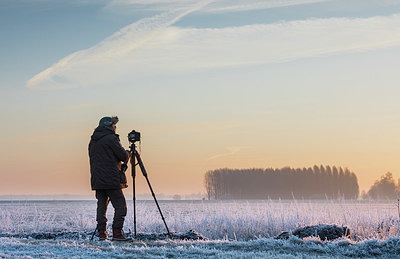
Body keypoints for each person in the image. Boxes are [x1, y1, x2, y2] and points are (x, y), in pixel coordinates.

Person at [88, 116, 131, 241]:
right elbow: (123, 156)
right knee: (120, 206)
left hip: (97, 179)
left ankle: (102, 233)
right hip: (111, 179)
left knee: (102, 207)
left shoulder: (93, 141)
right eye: (114, 125)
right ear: (109, 126)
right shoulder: (111, 139)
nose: (115, 128)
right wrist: (128, 153)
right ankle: (117, 233)